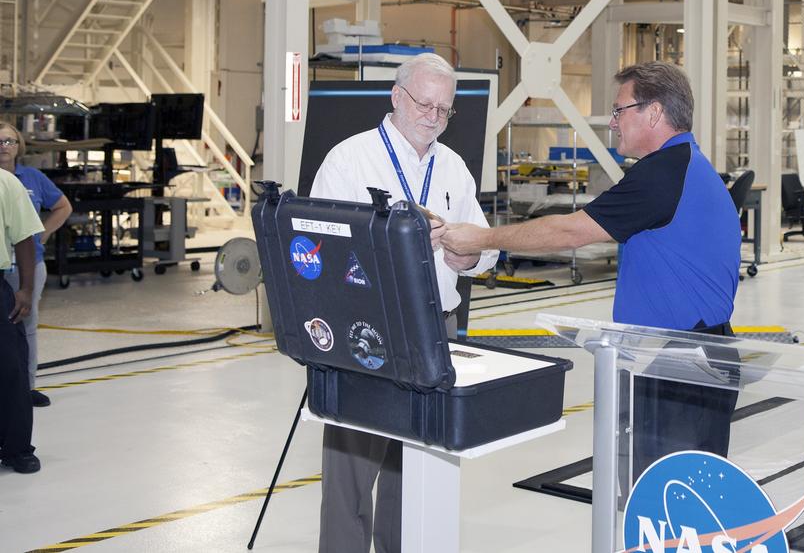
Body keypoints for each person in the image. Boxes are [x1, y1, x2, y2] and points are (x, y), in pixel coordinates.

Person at [441, 61, 742, 478]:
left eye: (619, 111)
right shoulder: (685, 166)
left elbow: (569, 231)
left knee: (668, 504)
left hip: (680, 365)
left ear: (653, 112)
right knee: (676, 502)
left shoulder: (663, 176)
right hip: (688, 357)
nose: (613, 124)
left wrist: (481, 238)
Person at [309, 52, 498, 553]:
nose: (433, 117)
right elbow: (318, 251)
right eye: (424, 103)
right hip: (365, 330)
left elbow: (486, 244)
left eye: (444, 109)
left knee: (413, 462)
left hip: (435, 328)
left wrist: (469, 259)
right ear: (396, 97)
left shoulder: (453, 167)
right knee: (352, 463)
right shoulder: (349, 160)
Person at [0, 123, 72, 408]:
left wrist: (44, 231)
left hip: (28, 266)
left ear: (19, 146)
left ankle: (26, 388)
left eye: (9, 141)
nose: (4, 146)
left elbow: (63, 206)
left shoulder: (33, 178)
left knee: (26, 325)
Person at [0, 166, 47, 474]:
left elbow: (24, 238)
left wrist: (27, 289)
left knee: (10, 368)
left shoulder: (6, 183)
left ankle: (16, 449)